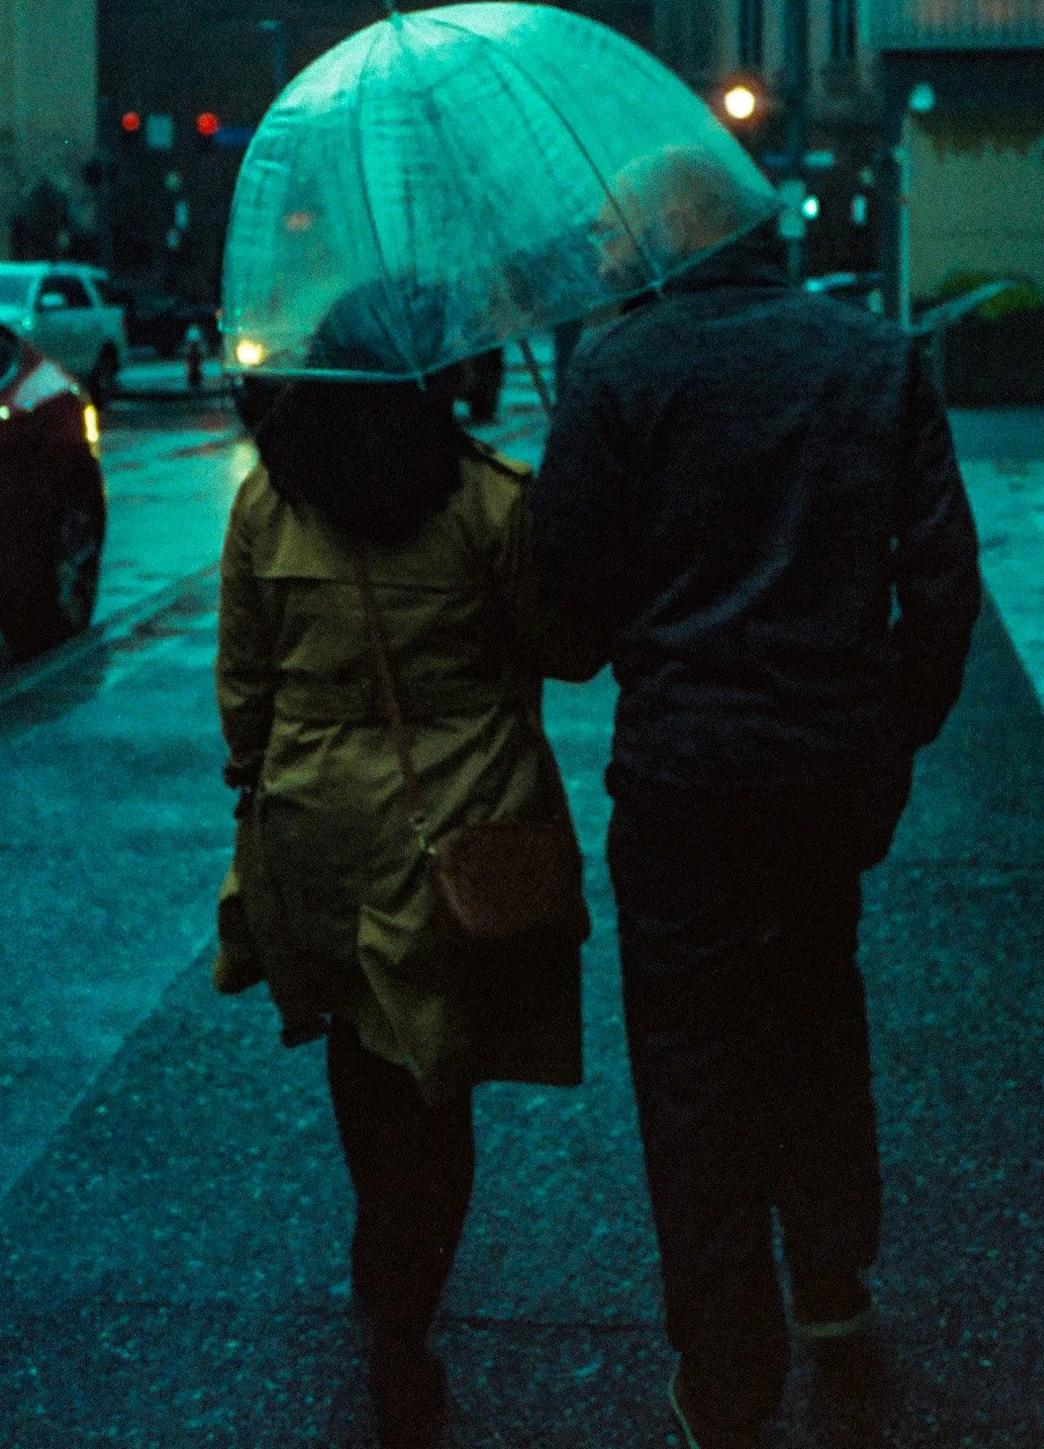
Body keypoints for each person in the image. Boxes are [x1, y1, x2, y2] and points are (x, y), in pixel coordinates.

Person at [530, 156, 982, 1449]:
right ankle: (830, 1278)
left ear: (671, 244)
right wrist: (891, 735)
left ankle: (725, 1367)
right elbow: (941, 587)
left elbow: (562, 621)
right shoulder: (874, 360)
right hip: (826, 772)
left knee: (690, 1062)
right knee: (815, 1008)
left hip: (681, 779)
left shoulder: (616, 375)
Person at [214, 328, 587, 1449]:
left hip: (314, 820)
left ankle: (380, 1251)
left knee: (360, 1038)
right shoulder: (485, 500)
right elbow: (558, 646)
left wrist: (266, 777)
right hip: (452, 818)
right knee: (438, 1071)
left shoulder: (270, 505)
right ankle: (402, 1307)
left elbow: (244, 684)